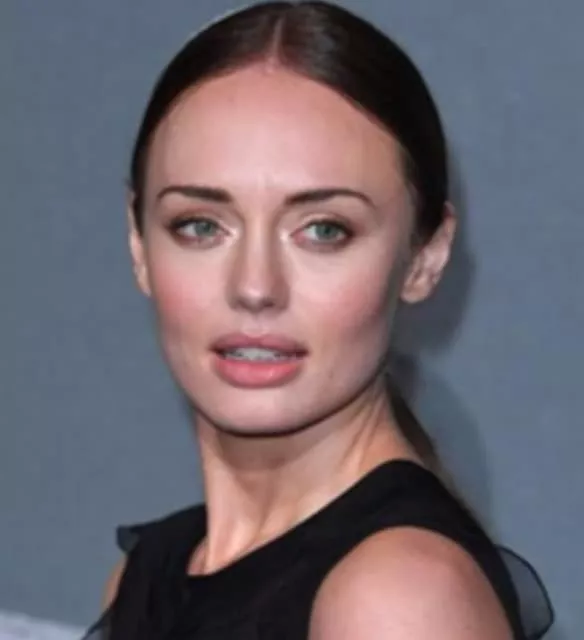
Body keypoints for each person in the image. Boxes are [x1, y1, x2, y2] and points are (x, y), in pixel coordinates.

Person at [83, 2, 554, 638]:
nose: (255, 288)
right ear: (139, 245)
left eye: (324, 230)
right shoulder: (146, 575)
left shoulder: (397, 599)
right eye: (200, 226)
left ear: (426, 256)